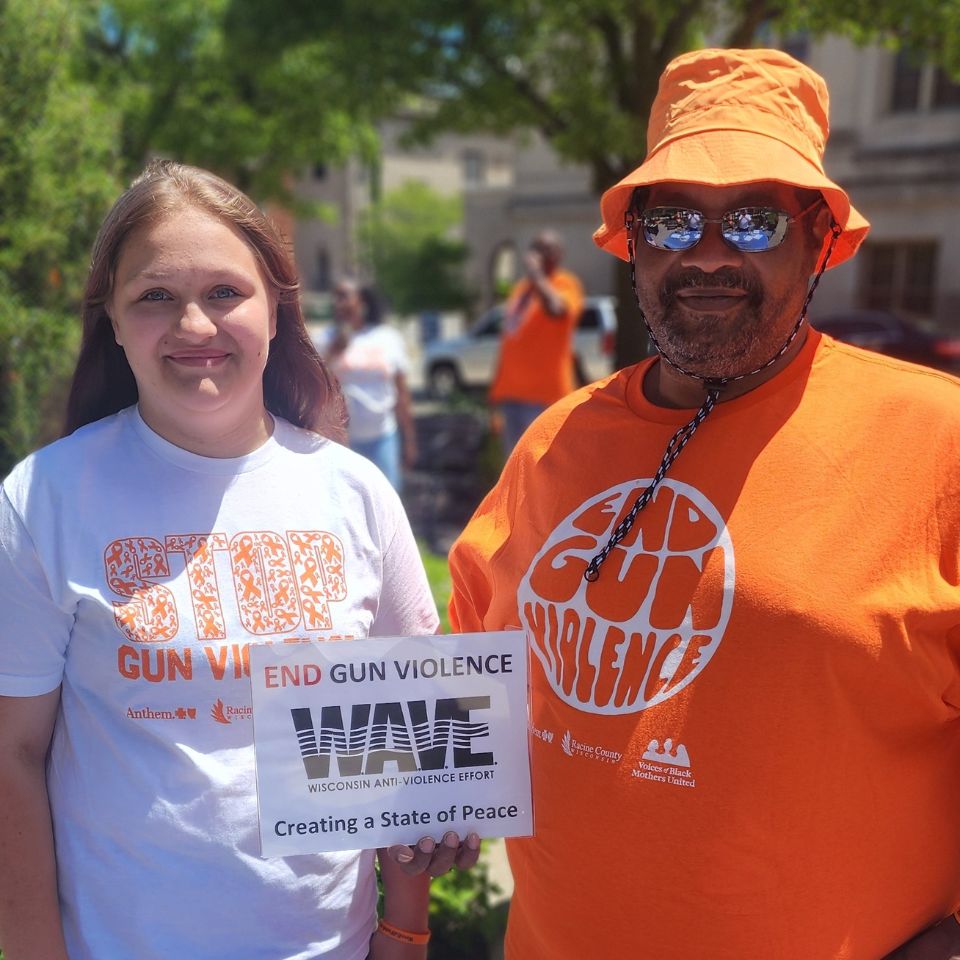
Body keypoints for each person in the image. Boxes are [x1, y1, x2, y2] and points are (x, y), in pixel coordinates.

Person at [448, 48, 960, 960]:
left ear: (819, 240)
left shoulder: (936, 437)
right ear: (634, 243)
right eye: (675, 219)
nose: (710, 256)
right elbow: (462, 674)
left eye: (756, 220)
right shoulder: (554, 442)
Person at [0, 160, 478, 960]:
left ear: (276, 310)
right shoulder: (42, 500)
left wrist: (405, 929)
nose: (193, 326)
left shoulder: (356, 495)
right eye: (154, 295)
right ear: (113, 320)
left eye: (225, 292)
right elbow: (12, 757)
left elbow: (412, 752)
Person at [489, 230, 584, 455]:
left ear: (558, 255)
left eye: (546, 249)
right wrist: (494, 394)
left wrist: (536, 275)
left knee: (542, 468)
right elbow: (510, 342)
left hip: (545, 398)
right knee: (514, 468)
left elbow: (556, 310)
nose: (539, 255)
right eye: (536, 248)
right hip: (511, 396)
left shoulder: (565, 284)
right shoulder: (521, 289)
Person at [318, 279, 417, 491]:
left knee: (388, 501)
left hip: (383, 437)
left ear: (362, 301)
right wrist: (331, 354)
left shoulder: (387, 338)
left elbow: (401, 393)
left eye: (344, 296)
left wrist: (409, 440)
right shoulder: (325, 339)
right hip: (343, 443)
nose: (338, 303)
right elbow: (312, 386)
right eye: (335, 297)